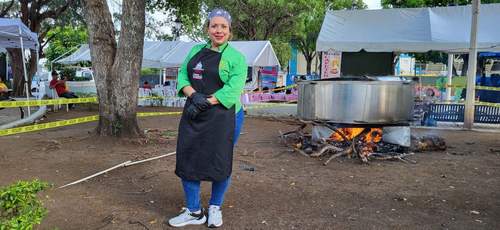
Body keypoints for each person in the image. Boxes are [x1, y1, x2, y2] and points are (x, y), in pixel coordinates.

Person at [167, 8, 247, 228]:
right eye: (214, 26)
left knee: (220, 161)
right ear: (208, 29)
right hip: (194, 113)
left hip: (225, 116)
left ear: (230, 31)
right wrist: (193, 96)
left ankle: (214, 207)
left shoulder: (237, 58)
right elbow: (183, 74)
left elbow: (233, 89)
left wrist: (205, 102)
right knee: (188, 158)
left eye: (223, 27)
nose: (218, 30)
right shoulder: (195, 50)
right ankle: (194, 211)